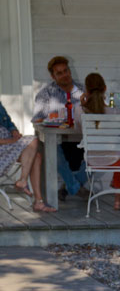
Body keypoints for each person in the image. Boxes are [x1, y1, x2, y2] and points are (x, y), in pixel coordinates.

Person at [31, 55, 88, 200]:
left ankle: (68, 187)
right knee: (53, 153)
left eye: (66, 71)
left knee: (101, 153)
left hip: (81, 138)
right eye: (59, 73)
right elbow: (37, 120)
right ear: (53, 76)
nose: (64, 75)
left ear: (70, 71)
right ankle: (76, 188)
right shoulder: (46, 93)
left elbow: (94, 112)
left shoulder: (83, 91)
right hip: (57, 139)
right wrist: (52, 118)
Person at [80, 73, 120, 211]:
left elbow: (76, 128)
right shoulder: (116, 113)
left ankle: (116, 187)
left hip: (91, 160)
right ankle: (118, 199)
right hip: (114, 161)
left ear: (86, 91)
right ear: (104, 88)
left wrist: (83, 105)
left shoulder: (80, 111)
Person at [0, 100, 55, 213]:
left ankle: (38, 201)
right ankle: (23, 182)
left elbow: (8, 122)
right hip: (3, 147)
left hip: (8, 146)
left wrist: (14, 131)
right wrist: (8, 141)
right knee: (33, 141)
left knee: (36, 156)